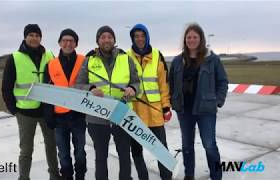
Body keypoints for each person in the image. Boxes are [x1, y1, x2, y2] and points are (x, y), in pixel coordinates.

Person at [75, 25, 140, 180]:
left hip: (122, 114)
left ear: (114, 40)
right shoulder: (89, 60)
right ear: (98, 40)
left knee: (124, 155)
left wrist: (133, 88)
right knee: (101, 156)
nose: (106, 40)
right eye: (103, 37)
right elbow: (78, 85)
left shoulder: (126, 58)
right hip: (97, 115)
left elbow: (137, 83)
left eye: (109, 37)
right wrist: (90, 88)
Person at [169, 23, 228, 180]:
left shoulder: (212, 60)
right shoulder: (177, 61)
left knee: (210, 146)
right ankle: (189, 175)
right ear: (185, 40)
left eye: (195, 37)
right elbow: (171, 84)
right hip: (184, 111)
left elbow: (222, 82)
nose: (191, 40)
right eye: (189, 37)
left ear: (201, 39)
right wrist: (173, 102)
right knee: (187, 146)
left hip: (206, 111)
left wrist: (218, 101)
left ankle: (216, 176)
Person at [1, 24, 61, 180]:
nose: (34, 38)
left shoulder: (49, 55)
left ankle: (54, 175)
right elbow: (6, 86)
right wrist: (13, 109)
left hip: (47, 111)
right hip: (25, 112)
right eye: (31, 35)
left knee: (51, 146)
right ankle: (24, 177)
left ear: (41, 37)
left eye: (37, 35)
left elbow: (57, 79)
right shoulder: (15, 58)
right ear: (25, 37)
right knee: (26, 149)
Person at [127, 23, 173, 180]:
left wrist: (166, 106)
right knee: (137, 151)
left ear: (147, 37)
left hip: (155, 112)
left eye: (142, 35)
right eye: (136, 36)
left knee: (161, 150)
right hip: (135, 113)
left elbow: (163, 84)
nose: (139, 39)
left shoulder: (156, 55)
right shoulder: (126, 57)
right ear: (133, 38)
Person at [43, 29, 87, 180]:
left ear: (75, 43)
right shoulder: (50, 65)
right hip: (59, 118)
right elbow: (46, 92)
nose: (68, 43)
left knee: (80, 153)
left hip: (78, 116)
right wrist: (49, 116)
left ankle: (80, 176)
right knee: (63, 154)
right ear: (60, 43)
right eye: (65, 40)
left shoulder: (84, 60)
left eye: (71, 41)